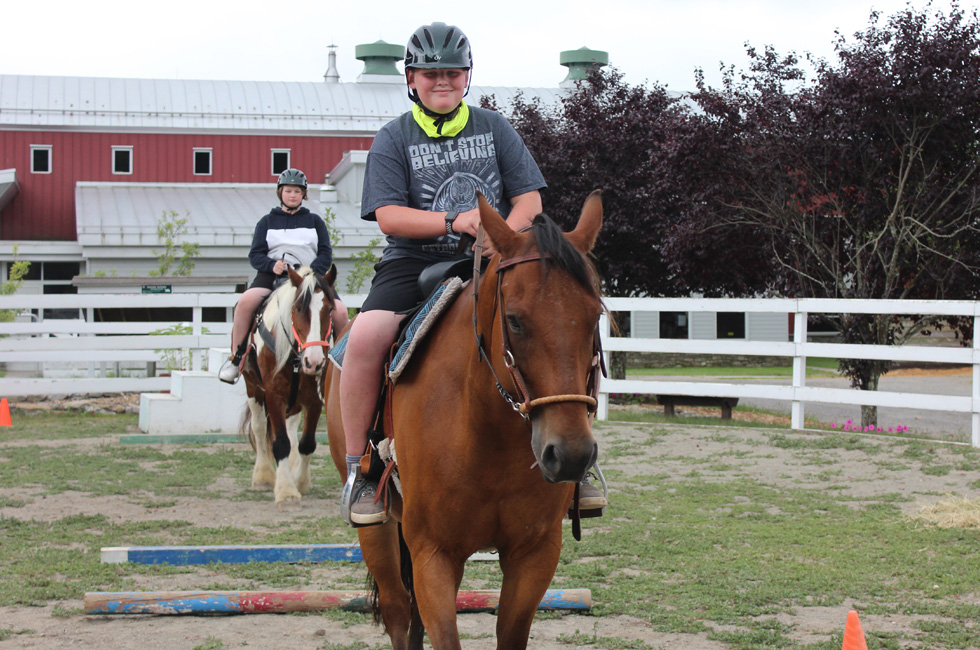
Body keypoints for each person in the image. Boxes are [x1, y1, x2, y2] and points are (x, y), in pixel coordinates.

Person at [338, 22, 606, 526]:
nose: (443, 81)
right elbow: (389, 215)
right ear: (411, 79)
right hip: (413, 261)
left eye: (453, 73)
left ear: (467, 76)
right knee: (368, 335)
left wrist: (503, 233)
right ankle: (364, 468)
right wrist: (453, 221)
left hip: (497, 257)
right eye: (431, 74)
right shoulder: (394, 137)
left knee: (558, 321)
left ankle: (579, 461)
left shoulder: (494, 128)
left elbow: (530, 201)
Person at [218, 168, 348, 384]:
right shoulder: (266, 222)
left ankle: (344, 363)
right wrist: (272, 265)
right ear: (280, 193)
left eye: (297, 191)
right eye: (288, 191)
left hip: (309, 279)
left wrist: (311, 271)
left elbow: (326, 253)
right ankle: (236, 359)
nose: (293, 195)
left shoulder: (315, 221)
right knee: (245, 303)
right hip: (273, 276)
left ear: (303, 194)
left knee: (341, 311)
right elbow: (255, 255)